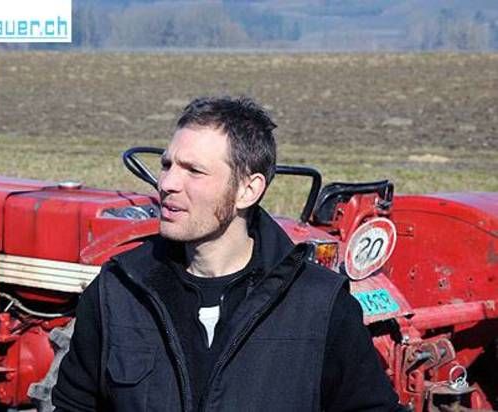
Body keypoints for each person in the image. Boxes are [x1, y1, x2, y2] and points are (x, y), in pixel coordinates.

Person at [52, 96, 402, 411]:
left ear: (247, 191)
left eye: (194, 171)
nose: (167, 184)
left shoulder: (320, 305)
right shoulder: (117, 291)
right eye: (167, 165)